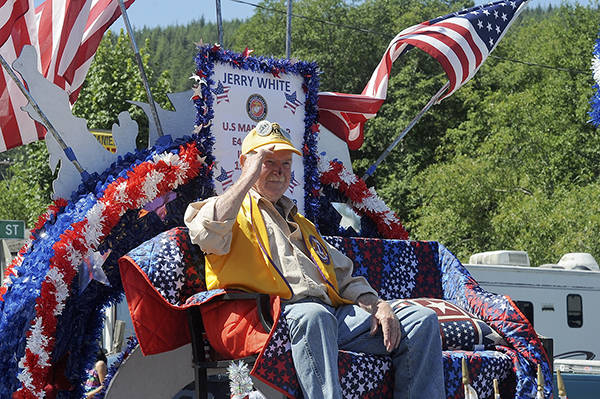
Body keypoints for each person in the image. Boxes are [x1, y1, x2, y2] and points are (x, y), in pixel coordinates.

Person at [184, 120, 445, 399]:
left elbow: (343, 276)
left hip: (326, 317)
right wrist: (247, 177)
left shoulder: (303, 224)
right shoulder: (230, 210)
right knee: (314, 314)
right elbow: (206, 233)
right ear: (245, 163)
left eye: (285, 164)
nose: (278, 171)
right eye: (267, 162)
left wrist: (377, 304)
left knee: (420, 320)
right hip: (264, 319)